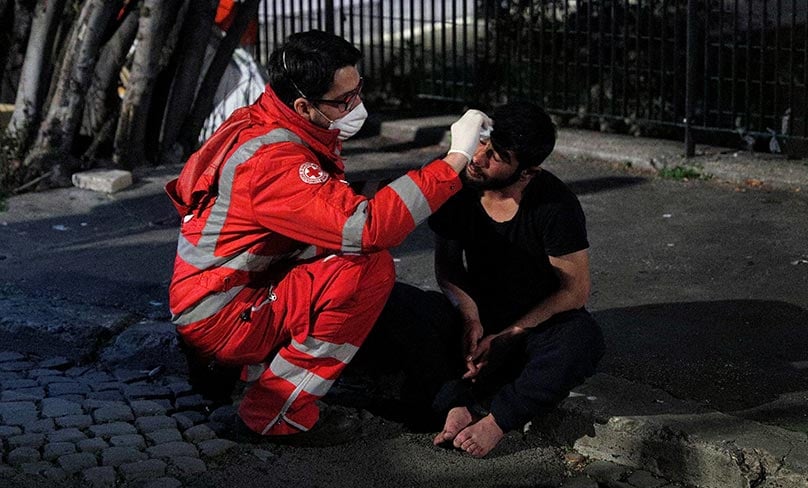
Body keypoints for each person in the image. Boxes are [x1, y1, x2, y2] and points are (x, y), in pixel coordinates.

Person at [164, 29, 491, 446]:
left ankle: (243, 371)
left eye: (358, 90)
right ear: (304, 105)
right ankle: (274, 411)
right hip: (224, 314)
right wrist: (455, 159)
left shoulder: (271, 121)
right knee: (366, 268)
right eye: (344, 101)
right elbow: (367, 227)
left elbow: (325, 214)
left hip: (228, 294)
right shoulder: (273, 160)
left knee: (384, 287)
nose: (357, 105)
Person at [365, 101, 604, 456]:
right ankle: (455, 407)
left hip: (534, 324)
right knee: (390, 298)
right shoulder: (458, 186)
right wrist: (469, 315)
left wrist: (510, 334)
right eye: (481, 142)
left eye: (497, 155)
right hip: (477, 316)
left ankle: (497, 421)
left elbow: (574, 291)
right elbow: (447, 265)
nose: (478, 156)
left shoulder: (555, 205)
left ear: (528, 172)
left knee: (582, 339)